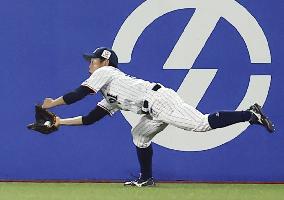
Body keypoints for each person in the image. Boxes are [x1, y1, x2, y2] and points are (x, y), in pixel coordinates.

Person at [43, 47, 275, 187]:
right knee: (139, 135)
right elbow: (91, 118)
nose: (90, 63)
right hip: (152, 109)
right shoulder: (110, 92)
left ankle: (250, 114)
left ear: (105, 62)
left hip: (160, 101)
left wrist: (54, 103)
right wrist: (60, 122)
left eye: (93, 60)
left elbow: (78, 94)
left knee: (200, 124)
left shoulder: (106, 72)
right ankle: (146, 178)